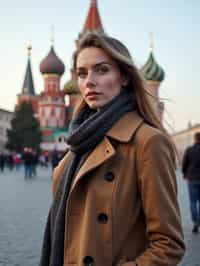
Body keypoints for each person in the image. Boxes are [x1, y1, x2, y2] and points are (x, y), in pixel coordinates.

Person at [40, 33, 185, 266]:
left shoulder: (148, 142)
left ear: (125, 77)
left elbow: (169, 244)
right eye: (82, 73)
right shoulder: (78, 142)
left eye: (102, 70)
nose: (89, 82)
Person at [182, 132, 200, 233]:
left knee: (193, 202)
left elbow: (184, 163)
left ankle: (195, 222)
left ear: (195, 139)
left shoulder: (189, 150)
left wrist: (184, 174)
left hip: (192, 178)